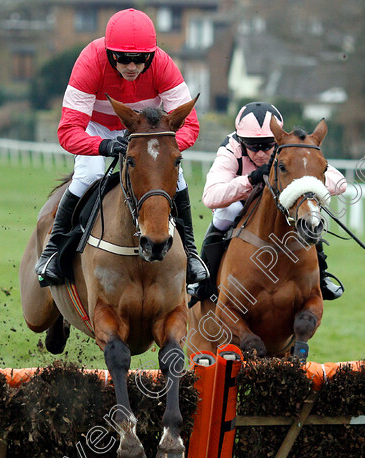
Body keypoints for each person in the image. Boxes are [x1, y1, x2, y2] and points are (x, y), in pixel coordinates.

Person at [35, 8, 208, 287]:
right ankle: (53, 251)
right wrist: (104, 145)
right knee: (89, 174)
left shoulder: (163, 65)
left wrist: (161, 149)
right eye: (123, 58)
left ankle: (191, 254)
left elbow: (190, 127)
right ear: (109, 53)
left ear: (151, 56)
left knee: (177, 177)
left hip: (145, 133)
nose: (131, 66)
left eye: (140, 60)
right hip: (96, 128)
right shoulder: (90, 61)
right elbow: (68, 132)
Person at [189, 101, 347, 301]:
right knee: (224, 214)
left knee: (309, 215)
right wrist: (250, 180)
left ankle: (321, 277)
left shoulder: (290, 145)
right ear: (241, 140)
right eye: (253, 147)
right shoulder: (231, 149)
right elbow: (210, 197)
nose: (261, 153)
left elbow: (339, 183)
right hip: (241, 204)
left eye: (267, 146)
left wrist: (302, 186)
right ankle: (204, 281)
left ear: (277, 140)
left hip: (279, 205)